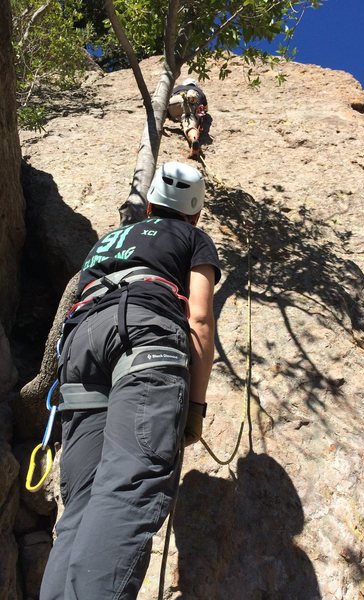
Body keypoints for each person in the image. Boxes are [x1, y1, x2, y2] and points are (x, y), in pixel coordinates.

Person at [40, 161, 221, 600]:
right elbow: (198, 317)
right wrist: (195, 408)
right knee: (130, 485)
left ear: (152, 203)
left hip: (81, 350)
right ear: (195, 212)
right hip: (143, 337)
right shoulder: (194, 238)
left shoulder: (109, 240)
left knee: (79, 507)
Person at [167, 78, 208, 160]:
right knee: (189, 125)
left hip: (175, 101)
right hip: (190, 103)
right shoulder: (199, 91)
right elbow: (205, 109)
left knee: (167, 110)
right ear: (195, 85)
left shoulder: (177, 88)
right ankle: (194, 140)